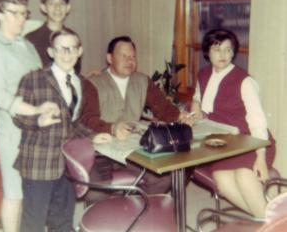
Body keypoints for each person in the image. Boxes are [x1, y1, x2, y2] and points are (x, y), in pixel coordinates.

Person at [0, 0, 59, 232]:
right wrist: (35, 110)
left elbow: (41, 81)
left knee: (35, 193)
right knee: (15, 193)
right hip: (14, 135)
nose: (21, 18)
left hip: (38, 131)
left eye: (23, 12)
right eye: (14, 12)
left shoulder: (27, 46)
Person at [80, 35, 192, 194]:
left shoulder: (142, 80)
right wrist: (111, 128)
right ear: (110, 58)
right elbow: (87, 118)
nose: (129, 60)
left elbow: (162, 107)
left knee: (164, 177)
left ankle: (140, 210)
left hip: (132, 150)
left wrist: (179, 116)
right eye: (123, 56)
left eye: (133, 56)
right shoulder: (93, 82)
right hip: (100, 150)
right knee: (96, 191)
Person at [191, 29, 276, 218]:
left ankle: (271, 225)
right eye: (217, 49)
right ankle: (270, 218)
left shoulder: (245, 81)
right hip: (223, 145)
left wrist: (260, 156)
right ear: (207, 52)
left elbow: (257, 121)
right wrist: (195, 103)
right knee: (221, 179)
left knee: (244, 176)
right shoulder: (203, 75)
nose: (223, 55)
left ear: (233, 52)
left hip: (252, 142)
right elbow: (198, 95)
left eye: (228, 50)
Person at [13, 30, 86, 232]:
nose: (67, 53)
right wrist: (38, 119)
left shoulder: (79, 83)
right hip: (39, 164)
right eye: (60, 48)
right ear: (50, 52)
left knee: (63, 220)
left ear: (80, 51)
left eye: (72, 48)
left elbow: (73, 123)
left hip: (66, 165)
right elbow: (17, 115)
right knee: (33, 223)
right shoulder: (33, 78)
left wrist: (95, 136)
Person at [26, 0, 74, 67]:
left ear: (68, 8)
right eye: (52, 3)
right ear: (43, 8)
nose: (57, 8)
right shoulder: (32, 39)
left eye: (61, 4)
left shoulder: (72, 36)